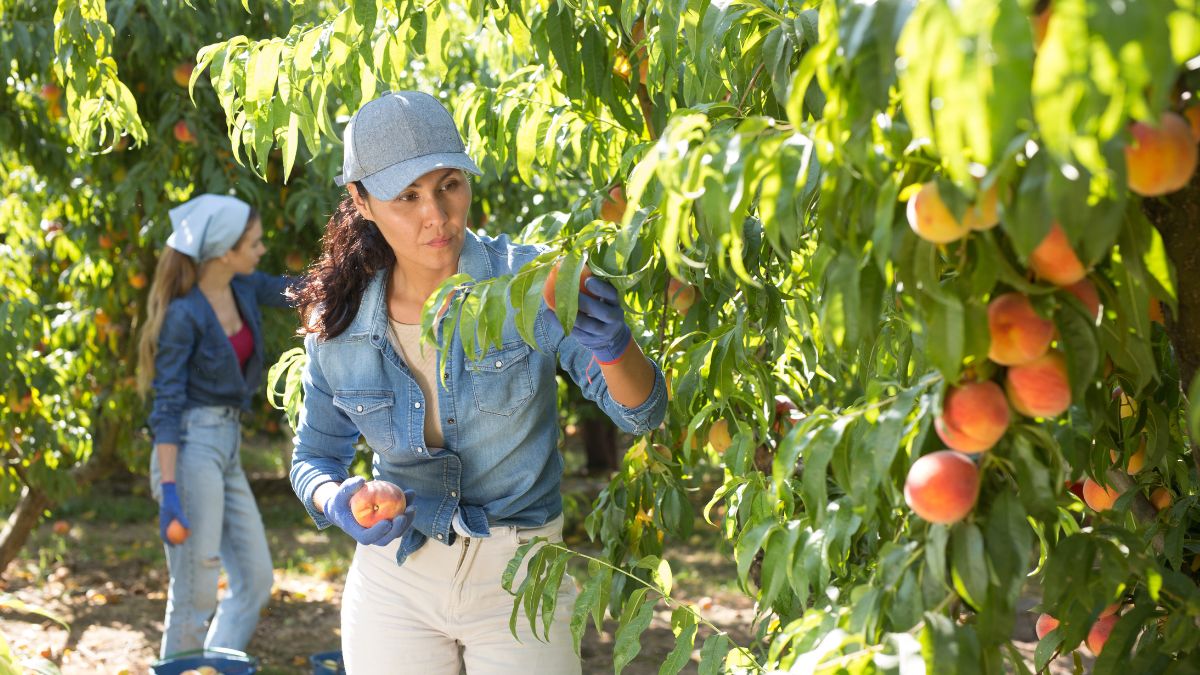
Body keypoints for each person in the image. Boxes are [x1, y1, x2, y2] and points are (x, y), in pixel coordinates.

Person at [288, 91, 668, 674]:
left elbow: (642, 414)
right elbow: (313, 456)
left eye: (448, 185)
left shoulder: (532, 282)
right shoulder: (340, 323)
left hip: (521, 574)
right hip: (398, 576)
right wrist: (339, 498)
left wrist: (614, 346)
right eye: (406, 197)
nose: (435, 215)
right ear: (360, 201)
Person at [136, 194, 295, 658]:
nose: (262, 249)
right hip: (190, 449)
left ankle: (211, 667)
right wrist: (168, 491)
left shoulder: (244, 288)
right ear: (225, 251)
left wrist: (360, 268)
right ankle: (180, 667)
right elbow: (167, 406)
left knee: (255, 579)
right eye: (254, 243)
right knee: (196, 588)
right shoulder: (184, 315)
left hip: (226, 447)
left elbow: (297, 289)